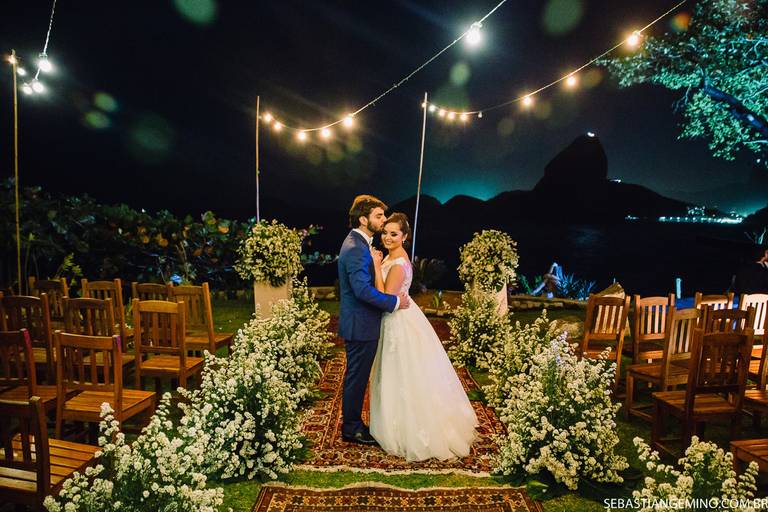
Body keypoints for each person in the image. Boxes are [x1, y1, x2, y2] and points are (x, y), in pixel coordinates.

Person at [369, 212, 478, 461]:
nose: (387, 237)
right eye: (385, 232)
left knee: (401, 372)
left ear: (405, 236)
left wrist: (375, 266)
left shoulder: (397, 263)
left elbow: (386, 298)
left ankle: (408, 430)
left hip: (397, 321)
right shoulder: (392, 257)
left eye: (393, 234)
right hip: (400, 318)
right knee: (397, 372)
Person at [337, 195, 410, 446]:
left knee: (357, 376)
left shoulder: (360, 243)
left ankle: (354, 423)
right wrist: (395, 302)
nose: (383, 220)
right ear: (363, 219)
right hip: (361, 324)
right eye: (379, 216)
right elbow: (362, 291)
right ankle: (352, 428)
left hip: (362, 322)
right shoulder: (356, 248)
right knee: (356, 377)